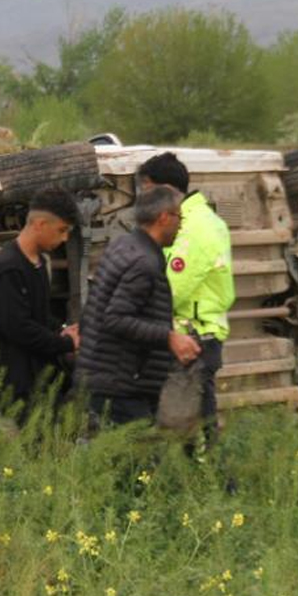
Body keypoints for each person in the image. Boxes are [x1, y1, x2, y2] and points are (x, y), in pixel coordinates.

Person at [78, 185, 200, 426]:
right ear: (164, 217)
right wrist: (168, 337)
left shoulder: (123, 245)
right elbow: (115, 318)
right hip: (122, 386)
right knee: (141, 460)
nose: (181, 225)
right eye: (179, 217)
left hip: (106, 378)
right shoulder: (144, 263)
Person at [137, 152, 236, 446]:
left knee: (196, 426)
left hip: (195, 338)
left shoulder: (197, 226)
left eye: (146, 191)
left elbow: (173, 286)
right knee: (187, 424)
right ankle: (203, 481)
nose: (142, 201)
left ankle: (215, 484)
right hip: (185, 335)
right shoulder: (186, 221)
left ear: (165, 190)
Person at [0, 187, 80, 419]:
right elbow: (19, 328)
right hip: (18, 388)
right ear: (40, 224)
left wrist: (64, 330)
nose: (64, 238)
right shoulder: (8, 269)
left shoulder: (37, 262)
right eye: (62, 230)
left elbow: (39, 314)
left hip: (40, 380)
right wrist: (65, 343)